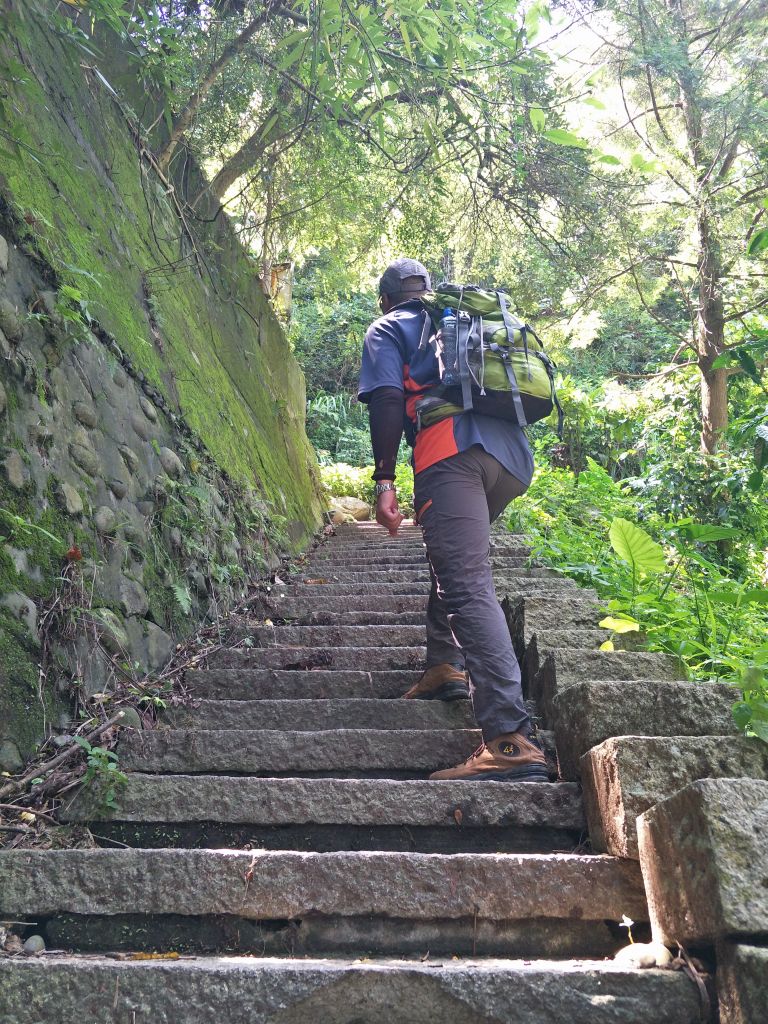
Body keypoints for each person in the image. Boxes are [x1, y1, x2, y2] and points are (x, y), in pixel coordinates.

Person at [358, 257, 548, 782]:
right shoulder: (464, 320)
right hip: (511, 458)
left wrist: (384, 480)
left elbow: (389, 399)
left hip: (451, 455)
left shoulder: (389, 327)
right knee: (456, 564)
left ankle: (510, 740)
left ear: (385, 298)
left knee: (465, 584)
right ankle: (443, 666)